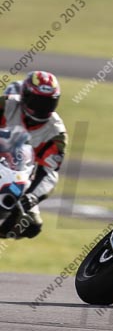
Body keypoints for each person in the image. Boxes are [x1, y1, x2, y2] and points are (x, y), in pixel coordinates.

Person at [0, 71, 67, 238]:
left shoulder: (56, 132)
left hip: (20, 178)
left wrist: (31, 197)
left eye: (47, 103)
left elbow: (49, 172)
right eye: (36, 101)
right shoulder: (5, 105)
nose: (40, 108)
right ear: (25, 96)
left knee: (31, 224)